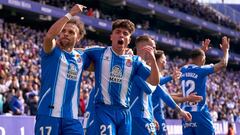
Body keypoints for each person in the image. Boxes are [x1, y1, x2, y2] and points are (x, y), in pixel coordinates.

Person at [84, 19, 160, 135]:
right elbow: (77, 52)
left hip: (124, 112)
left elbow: (154, 81)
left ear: (129, 40)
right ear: (111, 36)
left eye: (125, 34)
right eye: (118, 32)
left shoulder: (135, 61)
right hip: (104, 110)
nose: (121, 35)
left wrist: (153, 60)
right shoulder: (99, 52)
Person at [35, 4, 90, 135]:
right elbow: (49, 36)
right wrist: (70, 14)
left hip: (71, 118)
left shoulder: (82, 57)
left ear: (79, 38)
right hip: (48, 114)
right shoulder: (51, 50)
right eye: (63, 31)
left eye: (71, 32)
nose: (65, 34)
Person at [180, 37, 230, 135]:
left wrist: (201, 51)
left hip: (186, 114)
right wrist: (226, 50)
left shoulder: (183, 69)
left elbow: (196, 61)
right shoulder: (202, 70)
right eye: (204, 58)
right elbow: (223, 63)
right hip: (200, 113)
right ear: (202, 58)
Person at [152, 50, 202, 135]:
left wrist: (183, 94)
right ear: (159, 60)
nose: (166, 61)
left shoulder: (160, 76)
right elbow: (164, 95)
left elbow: (166, 95)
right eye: (164, 59)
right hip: (155, 115)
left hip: (160, 114)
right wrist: (186, 98)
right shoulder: (154, 77)